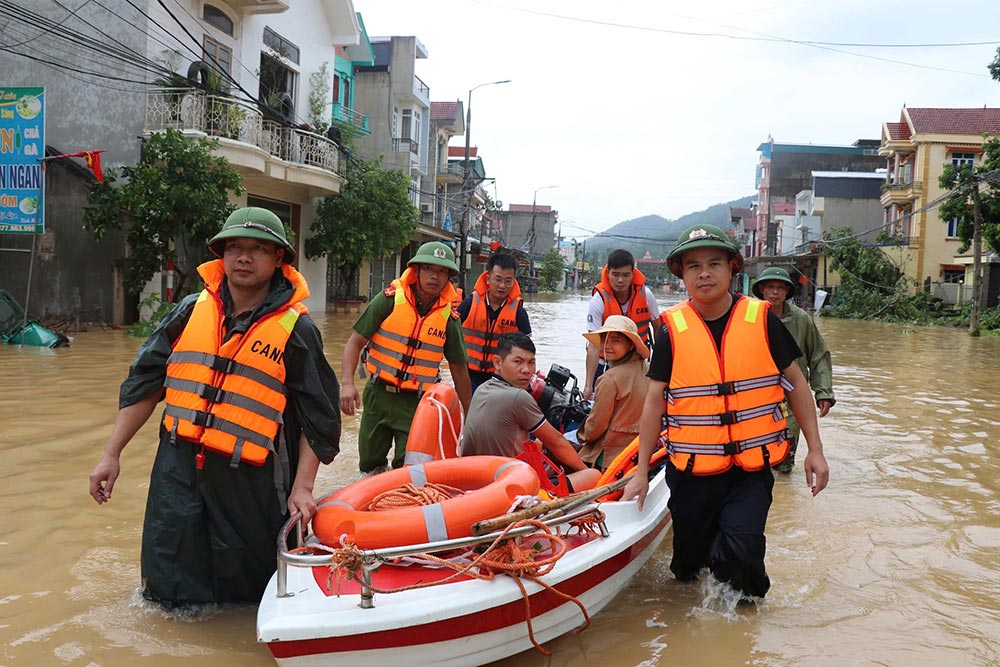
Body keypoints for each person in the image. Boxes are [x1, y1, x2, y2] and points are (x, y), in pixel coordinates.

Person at [87, 206, 341, 607]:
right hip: (178, 465)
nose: (244, 257)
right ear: (221, 255)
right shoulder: (190, 311)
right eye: (235, 247)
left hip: (252, 477)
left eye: (259, 248)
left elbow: (319, 417)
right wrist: (110, 453)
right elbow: (145, 384)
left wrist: (303, 487)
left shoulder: (297, 329)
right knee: (164, 585)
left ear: (279, 260)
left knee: (249, 595)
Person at [622, 224, 830, 601]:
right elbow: (655, 402)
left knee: (743, 554)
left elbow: (797, 384)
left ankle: (743, 636)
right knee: (687, 568)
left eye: (714, 263)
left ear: (732, 268)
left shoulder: (762, 319)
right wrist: (639, 473)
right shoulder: (670, 329)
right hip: (690, 473)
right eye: (694, 266)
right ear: (681, 275)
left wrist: (815, 450)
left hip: (749, 473)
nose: (704, 273)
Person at [340, 241, 472, 473]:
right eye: (429, 269)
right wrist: (347, 384)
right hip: (377, 394)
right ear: (417, 270)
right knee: (369, 464)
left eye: (442, 272)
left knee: (408, 469)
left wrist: (469, 413)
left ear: (448, 278)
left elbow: (459, 369)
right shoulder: (389, 299)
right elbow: (355, 342)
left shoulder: (449, 319)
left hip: (417, 404)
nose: (435, 277)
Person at [461, 333, 602, 492]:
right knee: (593, 475)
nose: (526, 370)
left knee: (539, 444)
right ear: (497, 362)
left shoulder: (482, 389)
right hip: (509, 485)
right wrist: (583, 470)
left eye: (531, 362)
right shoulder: (518, 397)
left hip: (480, 479)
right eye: (518, 362)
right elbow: (556, 442)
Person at [752, 267, 836, 474]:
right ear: (762, 289)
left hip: (791, 398)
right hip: (755, 399)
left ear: (787, 292)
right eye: (770, 287)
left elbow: (818, 355)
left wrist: (823, 392)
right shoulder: (748, 318)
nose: (775, 293)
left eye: (780, 288)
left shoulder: (801, 320)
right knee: (755, 463)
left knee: (784, 463)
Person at [576, 315, 650, 470]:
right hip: (639, 452)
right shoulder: (649, 370)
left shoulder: (609, 378)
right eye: (605, 340)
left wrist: (581, 435)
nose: (607, 346)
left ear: (630, 345)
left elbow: (596, 427)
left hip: (609, 456)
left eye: (615, 340)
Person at [584, 249, 659, 399]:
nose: (620, 280)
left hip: (636, 362)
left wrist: (659, 368)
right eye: (615, 274)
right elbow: (593, 344)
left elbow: (658, 329)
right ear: (608, 273)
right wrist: (587, 386)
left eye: (626, 275)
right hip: (604, 361)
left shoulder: (646, 295)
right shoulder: (599, 299)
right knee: (596, 401)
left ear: (633, 274)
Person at [457, 253, 531, 393]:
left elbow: (528, 352)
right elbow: (450, 336)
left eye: (508, 281)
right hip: (468, 375)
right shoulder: (469, 304)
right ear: (488, 278)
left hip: (501, 379)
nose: (502, 286)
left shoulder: (518, 313)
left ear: (514, 282)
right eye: (498, 279)